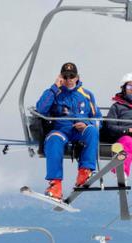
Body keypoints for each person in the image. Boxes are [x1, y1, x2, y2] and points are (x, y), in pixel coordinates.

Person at [35, 61, 99, 200]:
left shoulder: (87, 94)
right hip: (61, 130)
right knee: (54, 139)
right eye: (66, 76)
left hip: (79, 131)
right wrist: (54, 88)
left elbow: (97, 119)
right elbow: (41, 109)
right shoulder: (53, 93)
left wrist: (86, 122)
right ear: (61, 77)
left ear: (77, 77)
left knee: (92, 131)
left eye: (72, 76)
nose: (69, 80)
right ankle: (55, 185)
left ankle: (84, 172)